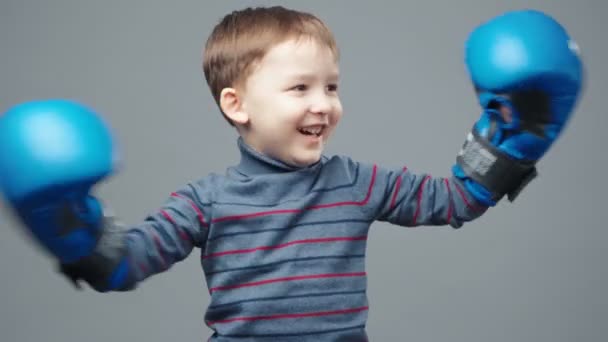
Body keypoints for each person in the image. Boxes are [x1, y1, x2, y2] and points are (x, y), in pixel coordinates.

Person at [0, 6, 583, 341]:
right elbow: (128, 263)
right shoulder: (207, 200)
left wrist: (514, 140)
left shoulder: (358, 181)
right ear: (237, 104)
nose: (323, 103)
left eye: (331, 86)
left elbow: (456, 201)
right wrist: (75, 235)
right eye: (299, 88)